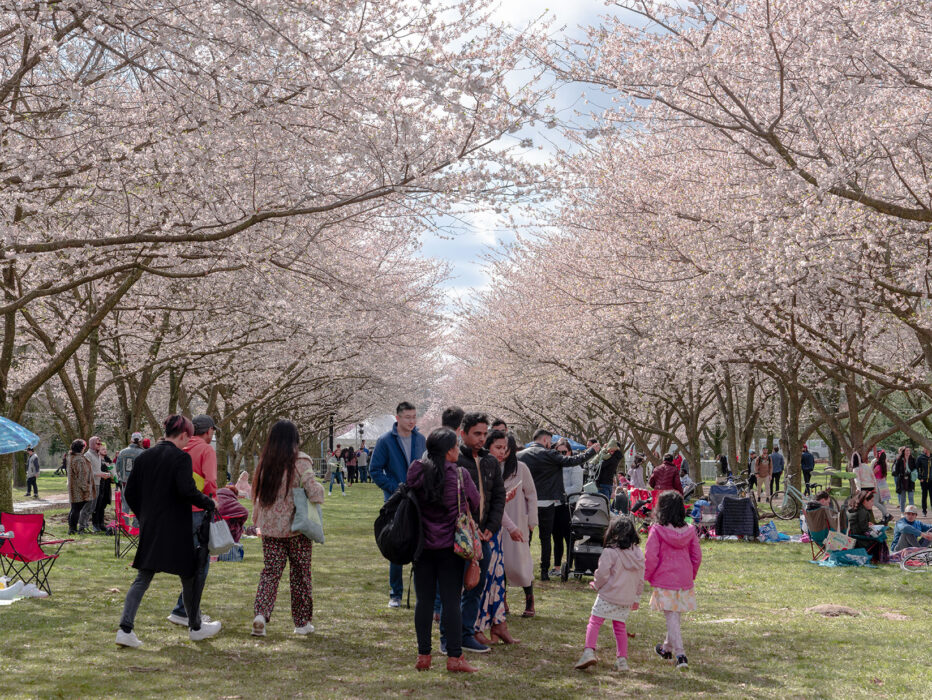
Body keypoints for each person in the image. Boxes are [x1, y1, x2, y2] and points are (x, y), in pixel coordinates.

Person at [116, 415, 220, 647]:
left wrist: (144, 515)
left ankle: (125, 628)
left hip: (151, 525)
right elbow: (187, 490)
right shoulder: (180, 458)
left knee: (143, 577)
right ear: (183, 434)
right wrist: (209, 503)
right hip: (177, 526)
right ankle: (195, 627)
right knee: (190, 576)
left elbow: (130, 492)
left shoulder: (145, 457)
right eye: (187, 437)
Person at [407, 427, 480, 673]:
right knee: (451, 601)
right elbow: (477, 502)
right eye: (456, 446)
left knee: (424, 601)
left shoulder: (417, 471)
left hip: (422, 546)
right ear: (449, 450)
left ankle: (423, 656)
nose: (458, 450)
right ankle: (454, 658)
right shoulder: (460, 476)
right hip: (451, 547)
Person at [251, 420, 325, 637]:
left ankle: (261, 614)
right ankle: (302, 623)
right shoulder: (300, 462)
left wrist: (257, 523)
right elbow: (314, 491)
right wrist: (319, 492)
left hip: (271, 530)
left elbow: (257, 497)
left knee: (270, 573)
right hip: (296, 529)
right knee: (301, 574)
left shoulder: (265, 462)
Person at [448, 413, 504, 654]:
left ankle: (466, 633)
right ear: (463, 433)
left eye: (484, 434)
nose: (482, 438)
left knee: (476, 585)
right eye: (477, 434)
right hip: (459, 535)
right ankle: (450, 636)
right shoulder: (454, 459)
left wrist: (491, 527)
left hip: (484, 537)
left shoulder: (491, 462)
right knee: (453, 587)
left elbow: (499, 497)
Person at [518, 429, 598, 581]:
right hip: (548, 502)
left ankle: (523, 568)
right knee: (545, 538)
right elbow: (573, 461)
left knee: (526, 537)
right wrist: (591, 451)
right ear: (546, 440)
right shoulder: (549, 455)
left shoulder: (520, 455)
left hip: (526, 501)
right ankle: (543, 571)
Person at [369, 401, 426, 608]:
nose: (411, 420)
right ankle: (395, 593)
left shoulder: (421, 439)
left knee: (420, 544)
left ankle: (421, 592)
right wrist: (395, 488)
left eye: (414, 416)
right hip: (396, 501)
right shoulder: (385, 441)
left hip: (418, 501)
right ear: (398, 418)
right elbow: (375, 470)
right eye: (407, 417)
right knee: (397, 543)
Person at [573, 516, 644, 673]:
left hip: (608, 595)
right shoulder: (638, 554)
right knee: (620, 627)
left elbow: (603, 574)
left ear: (613, 533)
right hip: (626, 598)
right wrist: (636, 598)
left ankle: (588, 651)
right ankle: (622, 660)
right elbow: (640, 579)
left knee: (595, 621)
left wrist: (596, 585)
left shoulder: (610, 552)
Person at [167, 414, 219, 628]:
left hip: (175, 510)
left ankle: (185, 608)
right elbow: (210, 482)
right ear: (208, 431)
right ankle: (186, 610)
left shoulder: (179, 447)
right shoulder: (206, 450)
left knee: (185, 561)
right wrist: (212, 500)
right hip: (198, 510)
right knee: (200, 563)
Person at [645, 490, 701, 670]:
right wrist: (690, 574)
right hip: (683, 577)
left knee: (672, 615)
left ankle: (680, 654)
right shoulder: (690, 530)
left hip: (664, 578)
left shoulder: (657, 530)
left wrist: (647, 575)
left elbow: (651, 557)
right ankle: (666, 648)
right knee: (674, 615)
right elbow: (696, 556)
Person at [473, 429, 519, 646]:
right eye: (498, 448)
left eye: (505, 449)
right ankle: (478, 626)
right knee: (483, 581)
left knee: (497, 580)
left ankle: (499, 625)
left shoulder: (495, 469)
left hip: (495, 533)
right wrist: (511, 527)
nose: (502, 453)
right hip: (484, 532)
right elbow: (489, 505)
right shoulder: (481, 467)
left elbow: (498, 505)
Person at [500, 433, 538, 618]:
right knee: (500, 561)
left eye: (506, 448)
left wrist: (532, 521)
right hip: (498, 521)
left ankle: (529, 599)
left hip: (518, 520)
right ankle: (502, 600)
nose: (502, 451)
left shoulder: (521, 468)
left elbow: (531, 494)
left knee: (521, 561)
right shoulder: (491, 467)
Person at [846, 490, 889, 564]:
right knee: (880, 537)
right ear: (865, 501)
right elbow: (864, 529)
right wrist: (875, 529)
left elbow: (858, 523)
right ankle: (879, 559)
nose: (872, 504)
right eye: (871, 501)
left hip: (850, 537)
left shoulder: (853, 508)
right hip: (858, 540)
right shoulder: (863, 511)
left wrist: (867, 524)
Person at [79, 437, 110, 532]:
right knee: (87, 506)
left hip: (98, 483)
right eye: (97, 444)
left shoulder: (98, 456)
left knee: (93, 507)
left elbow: (97, 470)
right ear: (92, 444)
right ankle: (81, 527)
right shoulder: (88, 455)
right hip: (90, 484)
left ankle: (85, 526)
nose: (99, 445)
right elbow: (86, 472)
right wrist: (100, 474)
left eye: (100, 444)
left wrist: (105, 474)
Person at [66, 440, 93, 534]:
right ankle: (72, 529)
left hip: (74, 486)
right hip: (79, 489)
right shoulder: (79, 460)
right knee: (76, 509)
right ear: (81, 448)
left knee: (74, 508)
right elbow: (82, 475)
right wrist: (86, 488)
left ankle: (72, 528)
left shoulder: (71, 457)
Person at [892, 446, 916, 512]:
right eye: (906, 450)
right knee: (903, 498)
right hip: (902, 480)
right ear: (904, 452)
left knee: (911, 497)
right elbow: (896, 470)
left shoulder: (913, 459)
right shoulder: (900, 459)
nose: (908, 452)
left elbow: (915, 468)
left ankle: (912, 512)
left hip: (910, 480)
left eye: (909, 450)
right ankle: (902, 512)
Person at [871, 450, 892, 521]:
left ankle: (887, 514)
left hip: (878, 485)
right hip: (883, 485)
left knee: (875, 502)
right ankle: (885, 517)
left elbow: (872, 474)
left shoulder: (878, 466)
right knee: (882, 502)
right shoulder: (884, 465)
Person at [917, 447, 932, 517]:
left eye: (927, 448)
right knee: (924, 496)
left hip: (931, 481)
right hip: (924, 481)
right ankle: (924, 511)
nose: (925, 449)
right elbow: (917, 468)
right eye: (924, 448)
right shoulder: (920, 458)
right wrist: (920, 477)